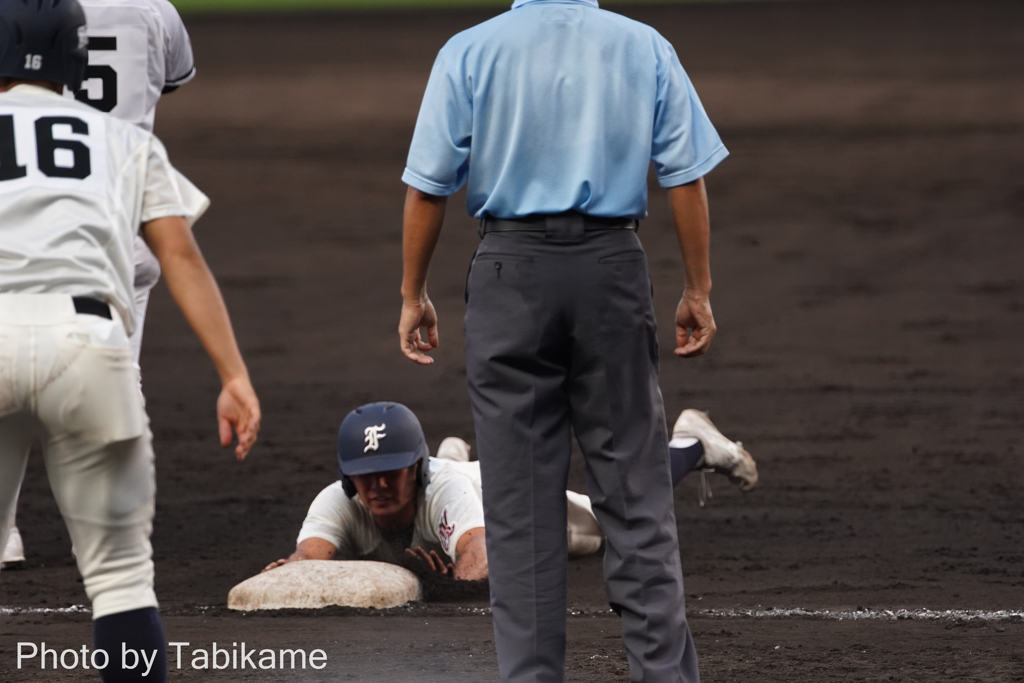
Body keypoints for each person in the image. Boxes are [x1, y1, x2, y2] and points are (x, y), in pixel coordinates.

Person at [397, 1, 728, 681]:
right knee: (636, 497)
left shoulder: (470, 49)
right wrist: (697, 289)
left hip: (509, 275)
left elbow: (427, 189)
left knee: (519, 513)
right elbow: (685, 177)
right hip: (611, 270)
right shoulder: (644, 45)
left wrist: (413, 293)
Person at [0, 2, 260, 682]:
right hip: (92, 347)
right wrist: (233, 375)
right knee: (120, 582)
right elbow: (181, 258)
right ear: (75, 59)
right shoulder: (123, 142)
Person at [2, 0, 197, 569]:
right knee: (115, 371)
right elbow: (175, 78)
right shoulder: (153, 9)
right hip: (125, 216)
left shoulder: (20, 10)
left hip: (28, 214)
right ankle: (109, 524)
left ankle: (6, 531)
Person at [265, 403, 757, 582]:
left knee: (623, 519)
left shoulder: (445, 492)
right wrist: (290, 574)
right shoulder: (337, 501)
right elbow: (310, 561)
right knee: (451, 502)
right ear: (348, 478)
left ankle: (692, 443)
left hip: (512, 504)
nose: (378, 486)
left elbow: (480, 560)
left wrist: (442, 586)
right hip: (456, 495)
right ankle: (454, 456)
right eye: (365, 476)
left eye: (391, 471)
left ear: (415, 468)